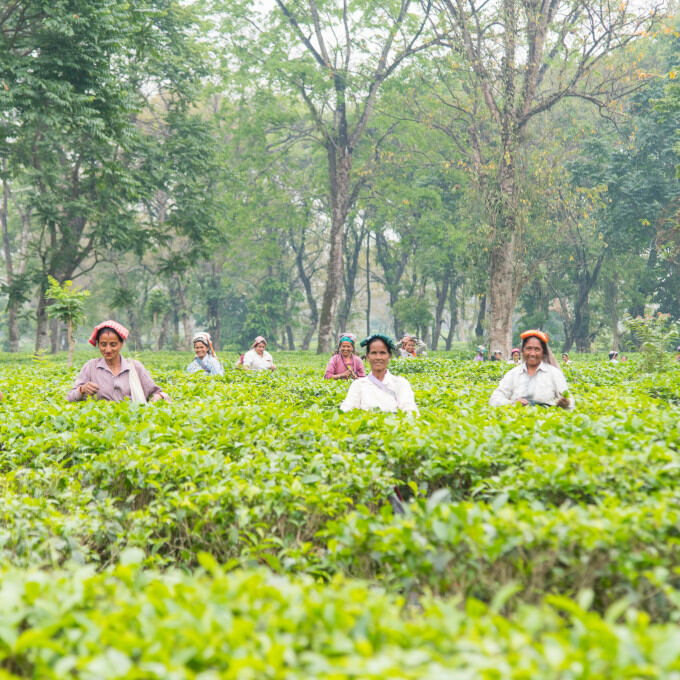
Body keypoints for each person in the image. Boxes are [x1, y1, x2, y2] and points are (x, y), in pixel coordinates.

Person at [67, 320, 169, 403]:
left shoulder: (135, 367)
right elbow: (69, 398)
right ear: (98, 344)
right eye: (103, 344)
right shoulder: (91, 367)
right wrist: (82, 390)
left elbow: (158, 393)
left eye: (113, 344)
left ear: (121, 344)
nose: (107, 350)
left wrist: (158, 397)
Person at [489, 329, 574, 409]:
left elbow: (570, 401)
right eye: (529, 348)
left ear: (543, 352)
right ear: (523, 350)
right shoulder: (513, 374)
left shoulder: (554, 373)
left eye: (537, 349)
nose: (532, 353)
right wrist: (512, 403)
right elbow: (494, 399)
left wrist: (566, 403)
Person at [340, 334, 418, 413]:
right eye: (373, 353)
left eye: (382, 353)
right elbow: (346, 411)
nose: (378, 357)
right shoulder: (358, 385)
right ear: (367, 356)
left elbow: (410, 412)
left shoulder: (401, 384)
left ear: (389, 356)